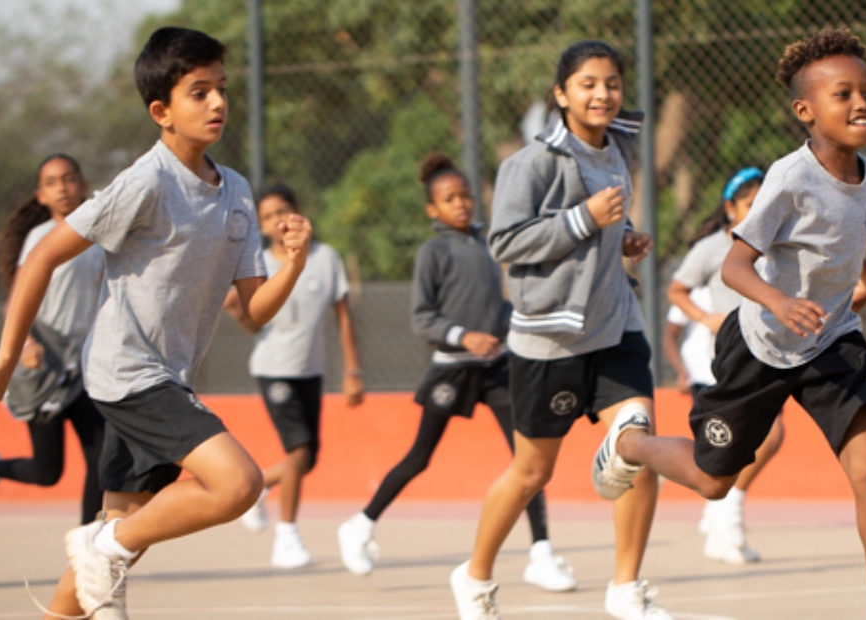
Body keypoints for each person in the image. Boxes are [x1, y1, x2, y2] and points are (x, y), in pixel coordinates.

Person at [0, 26, 311, 619]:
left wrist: (295, 263)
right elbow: (44, 256)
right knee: (238, 485)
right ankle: (101, 545)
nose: (218, 103)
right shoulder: (145, 182)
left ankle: (95, 559)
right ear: (162, 111)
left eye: (221, 89)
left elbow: (253, 313)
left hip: (167, 379)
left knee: (113, 553)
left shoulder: (236, 194)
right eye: (198, 92)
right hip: (128, 373)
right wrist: (4, 357)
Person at [598, 28, 866, 620]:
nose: (862, 103)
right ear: (805, 111)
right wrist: (781, 302)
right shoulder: (789, 178)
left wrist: (858, 290)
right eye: (844, 94)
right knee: (713, 482)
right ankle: (629, 444)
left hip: (832, 343)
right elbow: (737, 267)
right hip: (760, 346)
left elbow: (842, 252)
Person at [455, 40, 666, 620]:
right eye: (588, 84)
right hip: (550, 341)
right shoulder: (530, 164)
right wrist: (583, 221)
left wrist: (621, 241)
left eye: (612, 83)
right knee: (531, 472)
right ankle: (473, 577)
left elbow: (594, 236)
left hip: (616, 327)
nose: (602, 94)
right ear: (561, 94)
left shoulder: (619, 145)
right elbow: (506, 242)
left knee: (640, 447)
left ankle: (626, 589)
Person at [337, 155, 576, 594]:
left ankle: (541, 552)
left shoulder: (488, 245)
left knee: (527, 461)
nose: (462, 204)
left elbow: (498, 306)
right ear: (433, 210)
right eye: (450, 199)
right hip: (452, 369)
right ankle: (360, 524)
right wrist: (464, 337)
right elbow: (422, 318)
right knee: (420, 457)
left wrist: (519, 320)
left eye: (466, 195)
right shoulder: (434, 251)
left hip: (498, 369)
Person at [0, 154, 106, 526]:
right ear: (41, 195)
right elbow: (16, 300)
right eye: (52, 182)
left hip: (83, 367)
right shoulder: (42, 238)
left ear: (84, 186)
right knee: (47, 471)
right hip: (45, 363)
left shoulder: (100, 236)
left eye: (69, 179)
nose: (63, 188)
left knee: (101, 460)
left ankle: (87, 548)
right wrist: (25, 346)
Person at [223, 183, 363, 569]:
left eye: (283, 210)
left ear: (298, 211)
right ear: (261, 225)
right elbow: (255, 326)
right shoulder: (256, 265)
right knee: (298, 451)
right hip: (274, 368)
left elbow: (344, 317)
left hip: (310, 370)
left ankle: (258, 489)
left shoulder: (325, 258)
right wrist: (237, 312)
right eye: (267, 216)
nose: (277, 220)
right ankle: (287, 538)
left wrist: (352, 370)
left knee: (308, 457)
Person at [665, 166, 786, 565]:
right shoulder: (712, 249)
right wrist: (706, 319)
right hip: (731, 358)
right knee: (759, 436)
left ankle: (721, 513)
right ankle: (725, 510)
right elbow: (677, 290)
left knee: (761, 438)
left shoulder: (778, 244)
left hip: (773, 353)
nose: (758, 211)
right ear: (730, 208)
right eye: (751, 204)